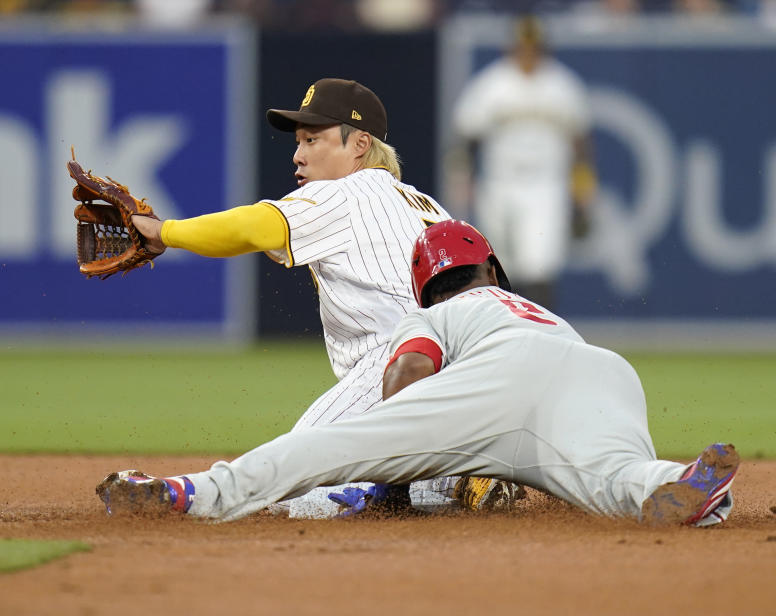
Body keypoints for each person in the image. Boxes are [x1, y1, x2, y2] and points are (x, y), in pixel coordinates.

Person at [96, 219, 740, 527]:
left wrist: (394, 460)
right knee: (613, 478)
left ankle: (194, 494)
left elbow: (407, 372)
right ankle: (689, 491)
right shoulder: (527, 305)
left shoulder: (438, 311)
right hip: (602, 373)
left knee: (326, 449)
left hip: (500, 379)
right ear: (490, 267)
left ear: (425, 283)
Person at [126, 77, 520, 518]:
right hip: (476, 363)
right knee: (360, 468)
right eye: (298, 141)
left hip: (401, 363)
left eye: (313, 139)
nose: (298, 154)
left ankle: (184, 499)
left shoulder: (344, 193)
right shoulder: (423, 202)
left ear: (359, 144)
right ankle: (465, 472)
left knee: (292, 476)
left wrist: (165, 232)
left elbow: (253, 227)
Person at [450, 16, 596, 312]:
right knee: (500, 265)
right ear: (512, 48)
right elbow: (466, 138)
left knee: (539, 264)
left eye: (534, 47)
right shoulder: (493, 85)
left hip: (546, 185)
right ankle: (502, 335)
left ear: (543, 49)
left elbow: (581, 146)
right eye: (523, 47)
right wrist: (461, 180)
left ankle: (542, 335)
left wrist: (582, 194)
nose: (528, 53)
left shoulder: (562, 85)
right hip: (500, 184)